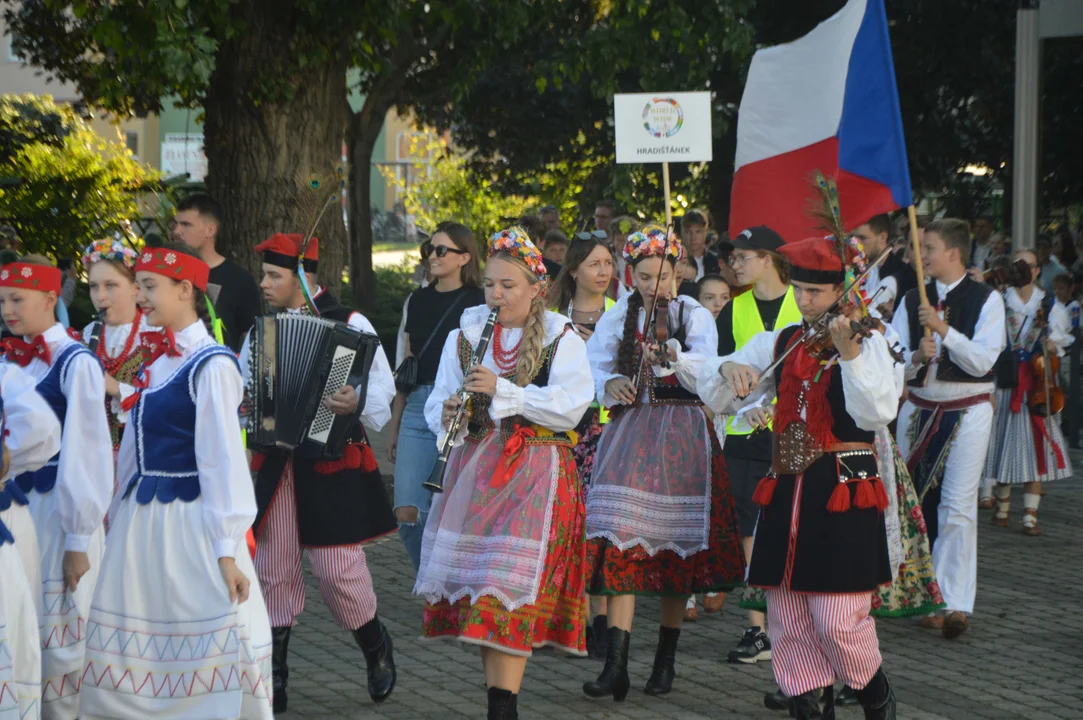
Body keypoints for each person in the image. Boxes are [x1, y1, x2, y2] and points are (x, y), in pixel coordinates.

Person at [702, 236, 902, 720]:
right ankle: (809, 710)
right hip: (788, 483)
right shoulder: (785, 339)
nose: (806, 301)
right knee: (787, 618)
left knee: (837, 621)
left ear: (844, 290)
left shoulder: (874, 338)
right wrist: (730, 368)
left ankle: (877, 697)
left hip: (844, 485)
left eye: (818, 292)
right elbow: (716, 385)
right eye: (802, 290)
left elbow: (878, 411)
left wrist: (851, 355)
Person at [78, 243, 274, 719]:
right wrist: (117, 510)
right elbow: (136, 452)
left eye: (149, 287)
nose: (140, 297)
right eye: (139, 286)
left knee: (198, 640)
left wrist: (227, 549)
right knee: (138, 652)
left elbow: (222, 460)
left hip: (188, 526)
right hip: (142, 524)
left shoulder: (212, 365)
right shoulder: (158, 361)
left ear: (185, 289)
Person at [415, 228, 593, 720]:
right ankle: (501, 705)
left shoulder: (561, 337)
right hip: (477, 471)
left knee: (505, 596)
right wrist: (450, 412)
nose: (496, 294)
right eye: (490, 284)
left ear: (536, 288)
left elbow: (571, 409)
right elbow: (437, 402)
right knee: (482, 598)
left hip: (537, 473)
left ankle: (503, 710)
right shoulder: (466, 336)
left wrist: (503, 392)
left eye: (508, 286)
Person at [583, 226, 744, 700]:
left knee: (678, 549)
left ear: (678, 274)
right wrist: (609, 385)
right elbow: (591, 366)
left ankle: (665, 659)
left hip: (683, 436)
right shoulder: (618, 317)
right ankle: (616, 663)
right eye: (647, 275)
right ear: (631, 275)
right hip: (632, 435)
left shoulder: (693, 314)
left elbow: (708, 372)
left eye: (665, 275)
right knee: (618, 543)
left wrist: (673, 354)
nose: (657, 285)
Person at [242, 233, 398, 712]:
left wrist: (352, 400)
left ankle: (376, 645)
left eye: (275, 276)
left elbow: (380, 395)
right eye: (264, 275)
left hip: (330, 460)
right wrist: (248, 406)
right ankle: (277, 674)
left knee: (336, 569)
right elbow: (244, 389)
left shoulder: (349, 322)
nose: (265, 284)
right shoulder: (263, 328)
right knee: (273, 568)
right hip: (277, 463)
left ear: (305, 279)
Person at [0, 256, 113, 718]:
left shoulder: (75, 361)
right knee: (26, 624)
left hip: (60, 509)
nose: (7, 309)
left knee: (65, 632)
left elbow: (88, 449)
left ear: (50, 299)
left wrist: (78, 539)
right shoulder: (7, 356)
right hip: (18, 512)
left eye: (17, 298)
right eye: (3, 299)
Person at [892, 218, 1005, 640]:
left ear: (954, 254)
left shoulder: (987, 299)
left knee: (957, 504)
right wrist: (916, 358)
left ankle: (954, 603)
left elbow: (984, 363)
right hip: (919, 408)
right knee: (917, 504)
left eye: (928, 248)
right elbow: (894, 365)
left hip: (969, 408)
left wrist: (944, 331)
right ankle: (921, 591)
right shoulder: (908, 301)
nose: (920, 256)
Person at [708, 225, 800, 659]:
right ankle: (757, 628)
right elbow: (721, 369)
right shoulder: (733, 309)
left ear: (767, 259)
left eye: (742, 257)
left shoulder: (805, 300)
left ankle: (793, 625)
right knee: (748, 530)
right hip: (745, 433)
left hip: (794, 435)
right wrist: (736, 397)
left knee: (789, 527)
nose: (734, 265)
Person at [387, 222, 484, 571]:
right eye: (430, 248)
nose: (433, 255)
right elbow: (407, 366)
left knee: (446, 511)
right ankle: (431, 584)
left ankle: (444, 591)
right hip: (417, 406)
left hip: (461, 410)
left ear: (464, 257)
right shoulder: (417, 300)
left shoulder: (480, 302)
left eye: (442, 250)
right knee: (407, 512)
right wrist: (395, 425)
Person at [550, 235, 616, 658]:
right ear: (574, 270)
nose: (604, 271)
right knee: (567, 525)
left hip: (609, 430)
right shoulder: (553, 318)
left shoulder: (623, 314)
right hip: (565, 431)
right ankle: (567, 618)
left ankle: (604, 624)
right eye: (595, 263)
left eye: (609, 263)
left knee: (602, 527)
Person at [980, 251, 1072, 536]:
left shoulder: (1048, 303)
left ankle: (1030, 515)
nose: (1023, 270)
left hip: (1036, 384)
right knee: (1005, 445)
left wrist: (1052, 346)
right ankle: (1003, 507)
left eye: (1029, 266)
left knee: (1036, 449)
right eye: (1018, 265)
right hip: (1005, 381)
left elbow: (1061, 338)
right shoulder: (997, 300)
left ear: (1036, 270)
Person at [0, 363, 62, 720]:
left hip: (7, 519)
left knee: (15, 633)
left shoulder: (7, 376)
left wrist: (8, 466)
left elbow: (44, 432)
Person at [80, 239, 155, 467]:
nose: (100, 296)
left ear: (135, 287)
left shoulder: (154, 334)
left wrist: (112, 386)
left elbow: (165, 399)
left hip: (140, 456)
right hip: (92, 457)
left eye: (110, 285)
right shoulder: (85, 335)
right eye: (94, 286)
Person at [172, 193, 262, 353]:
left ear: (210, 229)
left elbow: (253, 340)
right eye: (176, 224)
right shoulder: (168, 274)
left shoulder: (240, 280)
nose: (177, 231)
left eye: (186, 224)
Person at [851, 214, 902, 300]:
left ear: (882, 237)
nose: (856, 244)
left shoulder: (900, 274)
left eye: (862, 238)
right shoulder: (853, 269)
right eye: (854, 238)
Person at [681, 209, 721, 280]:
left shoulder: (716, 262)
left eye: (698, 231)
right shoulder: (677, 262)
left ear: (707, 232)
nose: (693, 237)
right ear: (682, 232)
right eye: (688, 232)